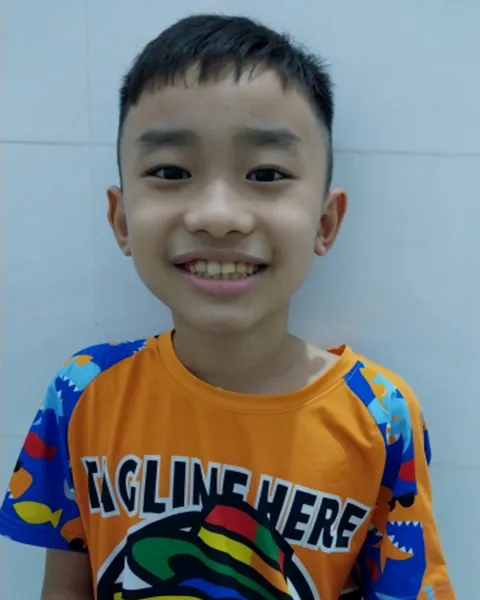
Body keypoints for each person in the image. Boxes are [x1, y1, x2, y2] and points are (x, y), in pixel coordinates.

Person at [0, 13, 455, 600]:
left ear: (325, 222)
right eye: (170, 171)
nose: (218, 215)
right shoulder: (82, 392)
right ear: (121, 219)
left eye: (266, 173)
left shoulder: (380, 416)